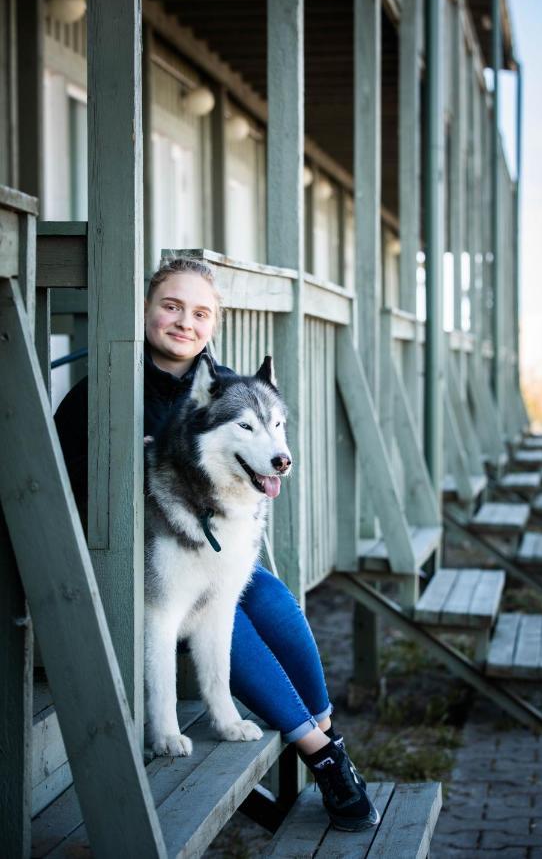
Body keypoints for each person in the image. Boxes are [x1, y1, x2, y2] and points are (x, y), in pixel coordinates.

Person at [55, 257, 378, 832]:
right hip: (145, 564)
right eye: (171, 306)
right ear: (147, 309)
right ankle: (321, 755)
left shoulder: (233, 389)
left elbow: (255, 463)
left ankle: (329, 734)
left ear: (214, 323)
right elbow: (65, 482)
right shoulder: (102, 388)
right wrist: (132, 460)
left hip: (217, 550)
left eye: (200, 313)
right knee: (232, 619)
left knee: (275, 603)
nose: (184, 322)